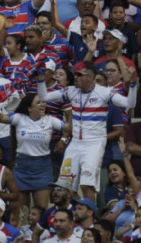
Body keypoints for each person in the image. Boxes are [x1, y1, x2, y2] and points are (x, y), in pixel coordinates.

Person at [38, 61, 129, 200]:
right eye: (74, 74)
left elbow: (129, 105)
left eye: (79, 75)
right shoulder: (71, 91)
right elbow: (44, 97)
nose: (75, 77)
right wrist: (40, 80)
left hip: (93, 144)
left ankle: (90, 218)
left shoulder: (104, 93)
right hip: (74, 143)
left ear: (91, 77)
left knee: (86, 186)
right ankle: (75, 215)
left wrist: (133, 85)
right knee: (65, 186)